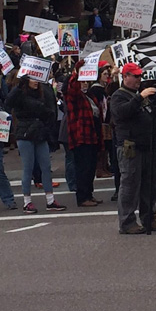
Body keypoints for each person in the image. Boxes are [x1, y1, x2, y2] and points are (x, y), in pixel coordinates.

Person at [111, 62, 156, 234]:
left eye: (139, 76)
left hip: (148, 145)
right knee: (130, 185)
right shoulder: (119, 96)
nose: (138, 79)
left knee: (150, 185)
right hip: (131, 146)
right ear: (125, 76)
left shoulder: (140, 96)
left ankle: (149, 218)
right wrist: (140, 97)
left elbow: (149, 115)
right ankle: (127, 222)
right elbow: (122, 113)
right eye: (135, 76)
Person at [8, 76, 66, 214]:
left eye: (37, 79)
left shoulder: (42, 92)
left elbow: (49, 108)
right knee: (28, 168)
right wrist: (19, 85)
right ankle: (27, 201)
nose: (36, 82)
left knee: (46, 167)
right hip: (25, 133)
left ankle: (50, 200)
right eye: (32, 79)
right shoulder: (20, 94)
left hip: (40, 132)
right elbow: (9, 101)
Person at [65, 59, 102, 208]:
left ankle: (89, 194)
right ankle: (82, 197)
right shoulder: (74, 95)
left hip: (92, 136)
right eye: (82, 81)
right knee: (83, 168)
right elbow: (73, 87)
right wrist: (77, 71)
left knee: (90, 167)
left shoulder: (90, 96)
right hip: (80, 137)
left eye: (86, 81)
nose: (84, 84)